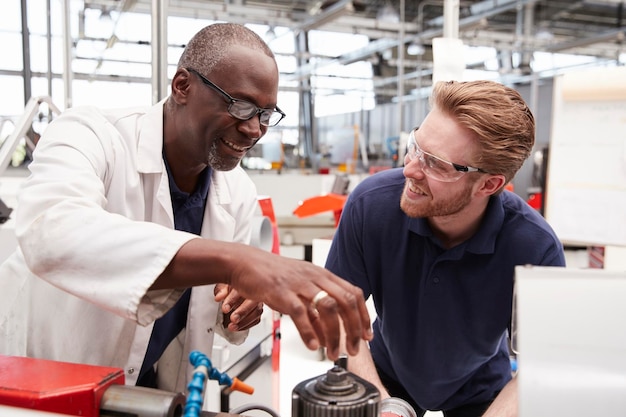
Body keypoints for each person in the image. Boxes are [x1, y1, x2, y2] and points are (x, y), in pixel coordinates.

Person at [0, 22, 372, 393]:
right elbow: (51, 233)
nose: (255, 130)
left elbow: (224, 316)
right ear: (182, 86)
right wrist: (235, 261)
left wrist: (240, 311)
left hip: (148, 390)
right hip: (43, 381)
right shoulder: (92, 134)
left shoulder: (237, 192)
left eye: (265, 114)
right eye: (241, 105)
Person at [325, 80, 565, 417]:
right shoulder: (371, 205)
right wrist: (383, 405)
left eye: (435, 164)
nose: (410, 169)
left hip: (480, 387)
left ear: (489, 184)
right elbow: (334, 313)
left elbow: (545, 362)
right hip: (385, 374)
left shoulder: (535, 248)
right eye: (415, 146)